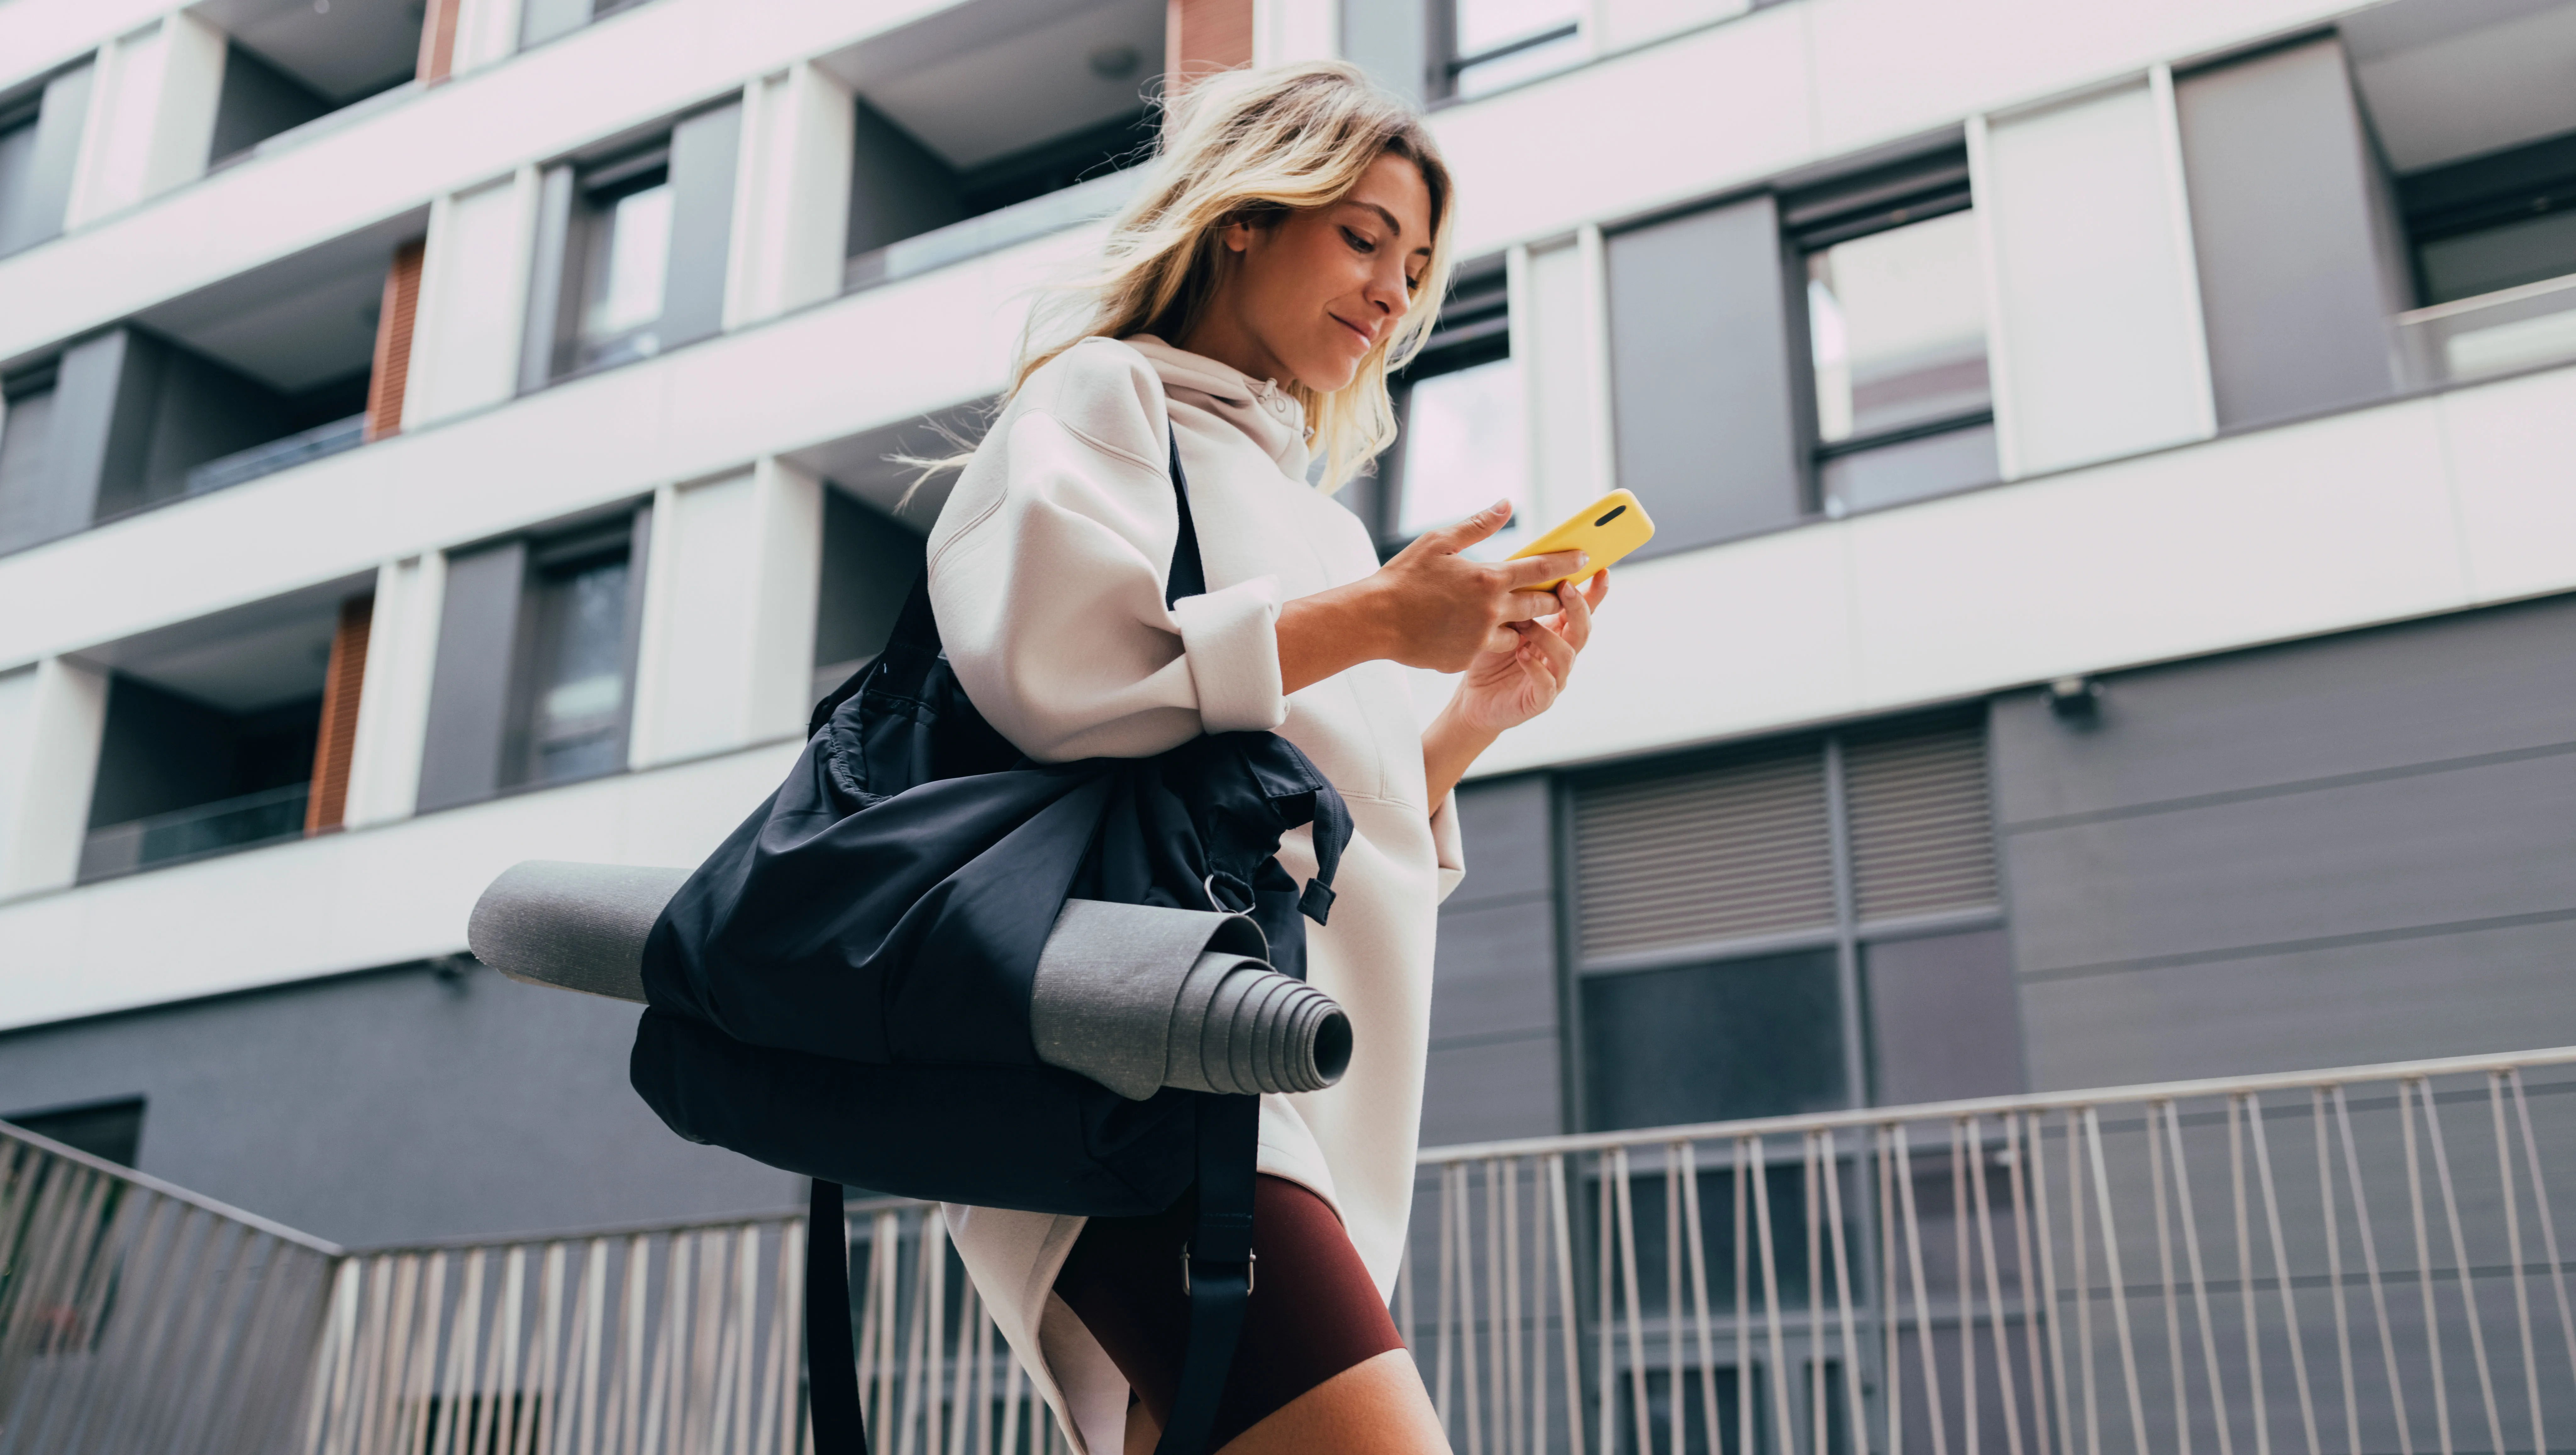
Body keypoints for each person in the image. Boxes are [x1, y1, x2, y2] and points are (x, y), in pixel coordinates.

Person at [925, 60, 1611, 1455]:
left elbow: (1320, 849)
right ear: (1246, 215)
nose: (1390, 291)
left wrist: (1470, 709)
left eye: (1413, 266)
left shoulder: (1323, 523)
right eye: (1362, 236)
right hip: (1140, 1064)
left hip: (1263, 1078)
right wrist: (1375, 621)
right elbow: (1061, 676)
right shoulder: (1104, 397)